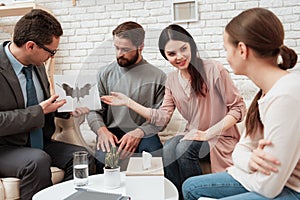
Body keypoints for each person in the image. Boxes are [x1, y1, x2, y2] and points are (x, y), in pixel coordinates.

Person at [101, 24, 246, 199]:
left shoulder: (214, 69)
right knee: (169, 147)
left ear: (191, 45)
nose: (179, 57)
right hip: (193, 135)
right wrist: (129, 103)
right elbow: (162, 118)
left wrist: (208, 133)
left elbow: (238, 108)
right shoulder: (171, 80)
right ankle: (176, 196)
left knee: (183, 148)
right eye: (171, 54)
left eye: (183, 49)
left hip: (220, 136)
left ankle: (194, 195)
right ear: (165, 56)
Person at [182, 7, 300, 200]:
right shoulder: (266, 91)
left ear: (242, 50)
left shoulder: (287, 95)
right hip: (264, 180)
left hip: (292, 189)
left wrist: (244, 169)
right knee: (191, 187)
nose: (227, 56)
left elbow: (268, 186)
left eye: (226, 49)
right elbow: (242, 148)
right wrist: (249, 162)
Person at [0, 9, 90, 200]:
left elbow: (44, 104)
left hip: (39, 142)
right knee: (37, 161)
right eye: (51, 51)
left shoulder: (38, 66)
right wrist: (38, 111)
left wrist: (65, 109)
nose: (52, 56)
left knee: (83, 156)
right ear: (31, 46)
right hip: (6, 147)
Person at [87, 21, 167, 174]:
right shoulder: (105, 73)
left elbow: (161, 119)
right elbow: (93, 110)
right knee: (104, 160)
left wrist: (139, 133)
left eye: (125, 49)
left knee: (155, 154)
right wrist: (101, 130)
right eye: (116, 48)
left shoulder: (158, 77)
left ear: (140, 47)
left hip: (144, 133)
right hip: (111, 133)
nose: (119, 54)